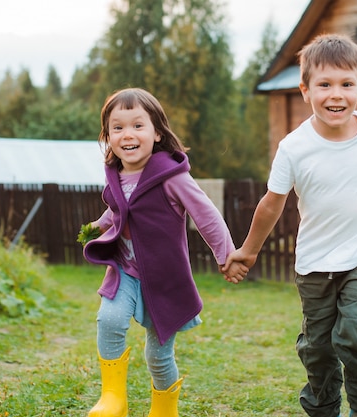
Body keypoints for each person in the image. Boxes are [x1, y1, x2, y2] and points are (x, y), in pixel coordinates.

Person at [222, 34, 357, 417]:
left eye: (347, 84)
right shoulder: (294, 148)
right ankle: (323, 410)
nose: (337, 94)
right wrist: (248, 251)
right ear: (305, 90)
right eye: (325, 85)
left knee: (355, 334)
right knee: (317, 348)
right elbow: (271, 205)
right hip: (315, 264)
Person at [81, 87, 247, 417]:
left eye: (137, 125)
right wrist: (96, 227)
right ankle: (113, 398)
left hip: (165, 280)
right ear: (108, 136)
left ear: (157, 133)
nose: (127, 134)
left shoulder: (172, 177)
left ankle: (164, 411)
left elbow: (207, 215)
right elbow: (118, 211)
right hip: (125, 270)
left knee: (158, 357)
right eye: (117, 127)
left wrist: (226, 256)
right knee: (109, 318)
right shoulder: (116, 175)